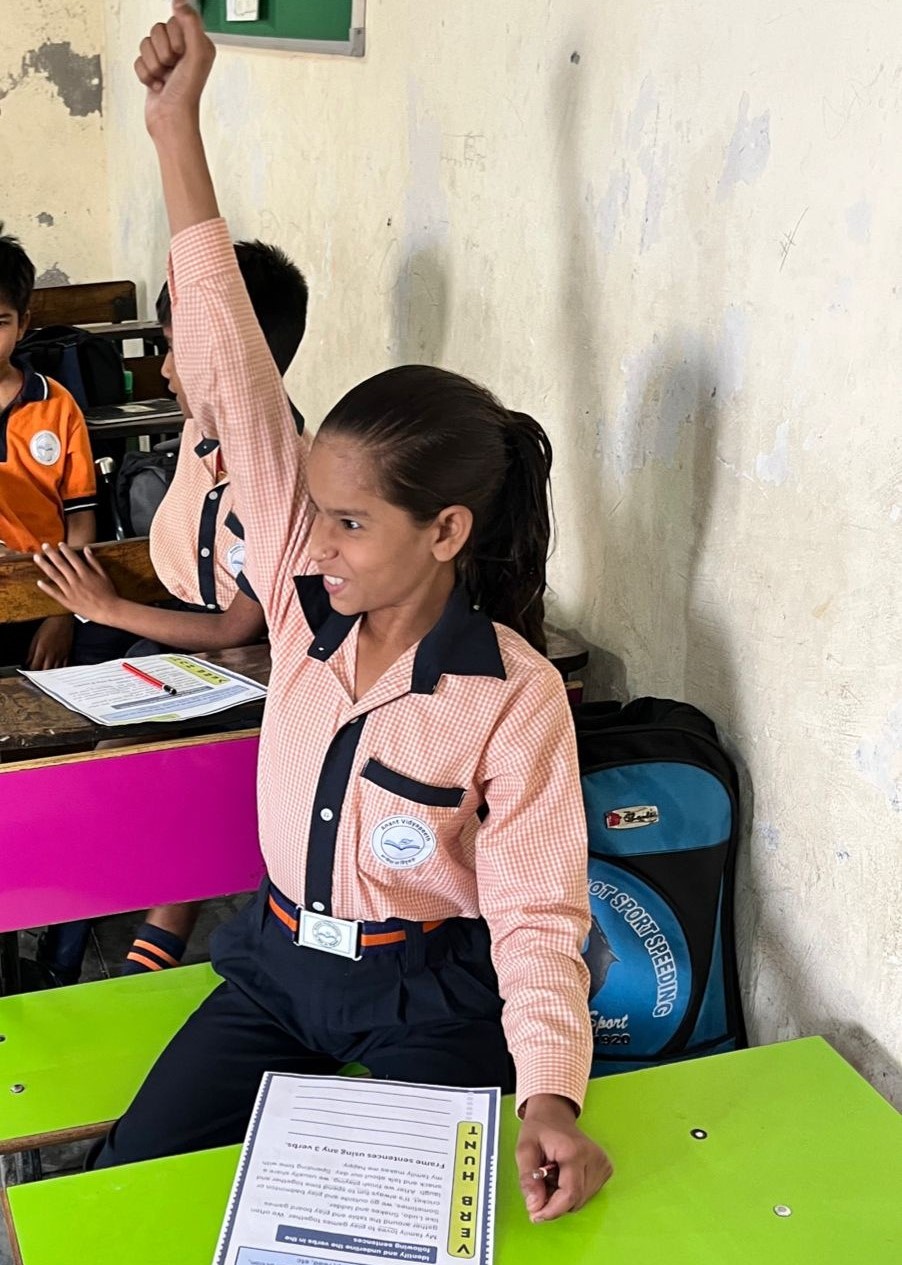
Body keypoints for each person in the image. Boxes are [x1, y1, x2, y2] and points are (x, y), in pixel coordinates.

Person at [43, 2, 614, 1220]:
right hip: (269, 967)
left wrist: (552, 1095)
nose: (314, 542)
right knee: (125, 1191)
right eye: (314, 511)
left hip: (429, 1000)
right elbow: (238, 374)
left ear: (444, 530)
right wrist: (171, 128)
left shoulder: (511, 696)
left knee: (378, 1230)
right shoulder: (303, 606)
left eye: (351, 522)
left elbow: (534, 908)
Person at [34, 240, 309, 983]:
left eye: (174, 351)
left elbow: (236, 629)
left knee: (133, 769)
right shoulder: (201, 433)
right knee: (72, 745)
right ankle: (79, 943)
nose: (160, 371)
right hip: (187, 650)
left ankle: (114, 954)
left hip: (261, 670)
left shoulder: (272, 464)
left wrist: (103, 602)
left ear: (226, 361)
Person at [0, 223, 96, 669]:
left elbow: (80, 520)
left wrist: (62, 613)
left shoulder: (56, 405)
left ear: (23, 324)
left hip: (43, 590)